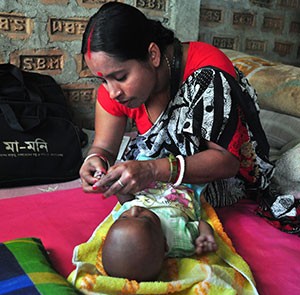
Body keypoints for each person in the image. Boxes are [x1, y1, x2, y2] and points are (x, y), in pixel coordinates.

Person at [79, 2, 274, 210]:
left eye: (120, 77)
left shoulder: (208, 74)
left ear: (153, 55)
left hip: (220, 178)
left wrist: (153, 169)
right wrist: (95, 159)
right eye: (103, 81)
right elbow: (104, 147)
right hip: (168, 179)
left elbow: (227, 161)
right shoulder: (119, 89)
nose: (112, 92)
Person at [102, 181, 217, 282]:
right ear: (165, 244)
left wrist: (117, 186)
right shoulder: (178, 237)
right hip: (181, 185)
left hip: (146, 183)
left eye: (124, 217)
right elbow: (201, 224)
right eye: (144, 218)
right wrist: (205, 234)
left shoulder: (125, 220)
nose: (134, 210)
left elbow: (129, 202)